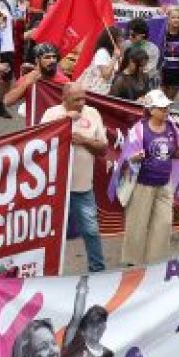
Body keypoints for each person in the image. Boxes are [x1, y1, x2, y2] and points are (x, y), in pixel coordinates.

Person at [42, 83, 110, 273]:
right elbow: (40, 144)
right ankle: (46, 273)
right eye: (76, 100)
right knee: (50, 235)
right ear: (64, 99)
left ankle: (98, 271)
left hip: (82, 187)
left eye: (83, 99)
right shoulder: (51, 114)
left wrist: (85, 141)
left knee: (91, 231)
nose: (81, 103)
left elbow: (103, 149)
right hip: (54, 188)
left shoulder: (93, 113)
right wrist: (65, 122)